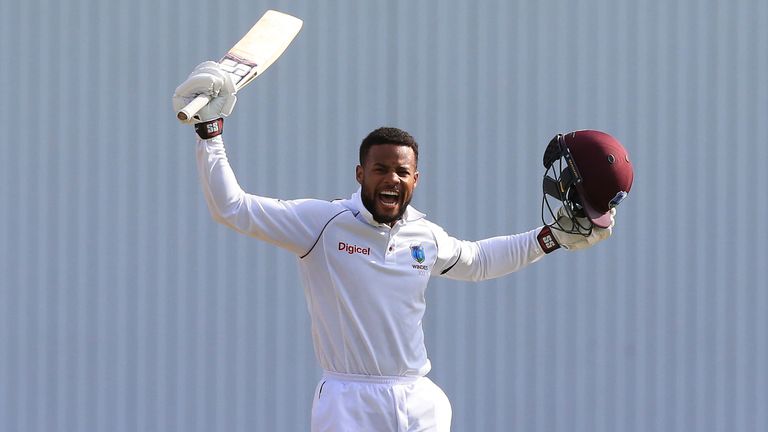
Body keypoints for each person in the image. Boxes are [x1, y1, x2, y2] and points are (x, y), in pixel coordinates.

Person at [173, 62, 632, 432]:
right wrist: (210, 134)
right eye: (380, 169)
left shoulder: (423, 236)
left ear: (415, 180)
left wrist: (548, 239)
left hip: (418, 399)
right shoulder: (321, 224)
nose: (391, 178)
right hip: (348, 403)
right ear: (360, 175)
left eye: (401, 172)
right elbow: (232, 208)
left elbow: (477, 260)